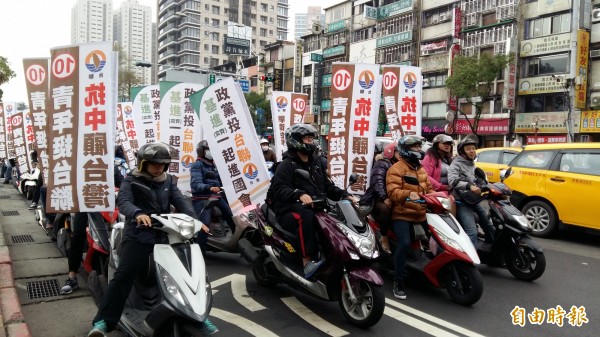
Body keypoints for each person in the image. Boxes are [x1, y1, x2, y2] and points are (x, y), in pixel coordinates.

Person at [87, 142, 215, 337]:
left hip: (167, 235)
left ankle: (200, 316)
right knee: (123, 275)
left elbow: (180, 200)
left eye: (162, 164)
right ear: (142, 163)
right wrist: (137, 213)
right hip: (139, 234)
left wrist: (195, 221)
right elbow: (124, 202)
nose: (158, 168)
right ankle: (104, 321)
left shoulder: (168, 181)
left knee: (189, 274)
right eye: (154, 163)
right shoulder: (131, 180)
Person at [267, 124, 355, 279]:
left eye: (311, 138)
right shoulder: (287, 165)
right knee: (306, 217)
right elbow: (279, 188)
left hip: (314, 205)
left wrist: (345, 195)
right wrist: (299, 194)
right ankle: (307, 261)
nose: (311, 141)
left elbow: (327, 186)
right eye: (307, 138)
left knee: (333, 219)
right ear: (295, 141)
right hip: (288, 209)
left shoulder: (316, 163)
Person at [60, 162, 125, 295]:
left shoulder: (108, 161)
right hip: (85, 203)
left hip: (108, 204)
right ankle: (72, 277)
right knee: (78, 235)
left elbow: (122, 183)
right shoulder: (76, 162)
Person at [386, 135, 433, 300]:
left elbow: (429, 188)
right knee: (404, 243)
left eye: (419, 147)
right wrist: (408, 194)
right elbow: (393, 193)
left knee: (437, 239)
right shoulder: (396, 169)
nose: (419, 150)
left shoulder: (420, 169)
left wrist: (439, 196)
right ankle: (398, 281)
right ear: (406, 150)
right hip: (402, 214)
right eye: (415, 147)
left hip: (421, 212)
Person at [448, 134, 495, 247]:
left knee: (489, 226)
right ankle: (469, 260)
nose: (472, 151)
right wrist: (469, 186)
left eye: (473, 148)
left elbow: (477, 178)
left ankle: (490, 254)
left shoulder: (471, 164)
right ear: (462, 152)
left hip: (473, 199)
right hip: (462, 201)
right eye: (468, 149)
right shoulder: (456, 164)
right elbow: (452, 180)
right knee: (472, 233)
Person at [190, 140, 236, 244]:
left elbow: (221, 180)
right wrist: (209, 187)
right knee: (204, 224)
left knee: (232, 216)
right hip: (202, 198)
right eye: (208, 149)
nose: (211, 152)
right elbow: (196, 184)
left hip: (216, 197)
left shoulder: (214, 165)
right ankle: (200, 252)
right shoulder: (197, 165)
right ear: (202, 151)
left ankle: (236, 243)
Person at [359, 142, 400, 254]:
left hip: (398, 197)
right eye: (398, 151)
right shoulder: (382, 163)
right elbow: (377, 180)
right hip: (377, 198)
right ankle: (384, 237)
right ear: (391, 152)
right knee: (385, 208)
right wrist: (384, 197)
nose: (401, 154)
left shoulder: (405, 164)